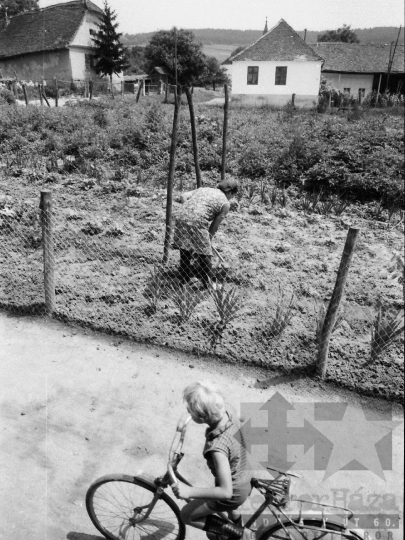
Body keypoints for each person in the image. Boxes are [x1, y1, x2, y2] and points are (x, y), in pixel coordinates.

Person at [172, 381, 252, 540]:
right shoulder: (227, 410)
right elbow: (243, 418)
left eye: (190, 411)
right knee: (231, 508)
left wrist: (189, 491)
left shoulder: (217, 448)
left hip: (234, 492)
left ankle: (239, 535)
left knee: (186, 514)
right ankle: (237, 523)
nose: (188, 412)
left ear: (202, 418)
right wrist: (186, 418)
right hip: (245, 472)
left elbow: (225, 491)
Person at [173, 179, 238, 287]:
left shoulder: (203, 189)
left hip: (181, 217)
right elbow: (214, 226)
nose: (232, 198)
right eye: (233, 195)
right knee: (205, 253)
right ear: (230, 192)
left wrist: (189, 211)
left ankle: (184, 279)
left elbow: (183, 196)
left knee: (185, 248)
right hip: (198, 221)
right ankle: (207, 283)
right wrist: (209, 240)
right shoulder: (225, 203)